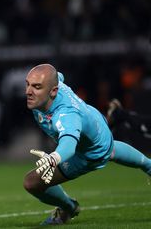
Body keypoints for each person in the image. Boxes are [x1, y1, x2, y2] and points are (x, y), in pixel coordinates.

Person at [23, 64, 151, 225]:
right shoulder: (55, 84)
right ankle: (148, 165)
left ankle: (69, 208)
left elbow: (68, 145)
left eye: (36, 87)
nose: (28, 91)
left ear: (54, 91)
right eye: (27, 84)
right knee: (111, 149)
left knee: (32, 182)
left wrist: (53, 158)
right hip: (93, 119)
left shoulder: (65, 114)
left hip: (87, 152)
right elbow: (58, 76)